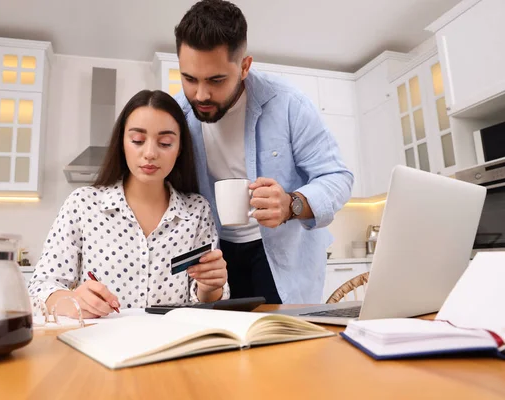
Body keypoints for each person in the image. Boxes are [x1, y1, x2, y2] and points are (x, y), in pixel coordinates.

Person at [173, 0, 354, 304]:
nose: (201, 95)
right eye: (190, 79)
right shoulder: (178, 113)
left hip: (280, 254)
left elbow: (338, 177)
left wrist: (291, 204)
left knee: (284, 345)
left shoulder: (288, 104)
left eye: (216, 80)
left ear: (244, 66)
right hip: (215, 254)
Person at [28, 90, 229, 318]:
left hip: (173, 347)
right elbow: (39, 290)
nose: (150, 153)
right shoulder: (83, 204)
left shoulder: (197, 210)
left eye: (165, 143)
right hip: (101, 346)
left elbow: (205, 302)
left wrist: (210, 286)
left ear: (180, 148)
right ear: (122, 143)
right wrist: (74, 301)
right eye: (137, 141)